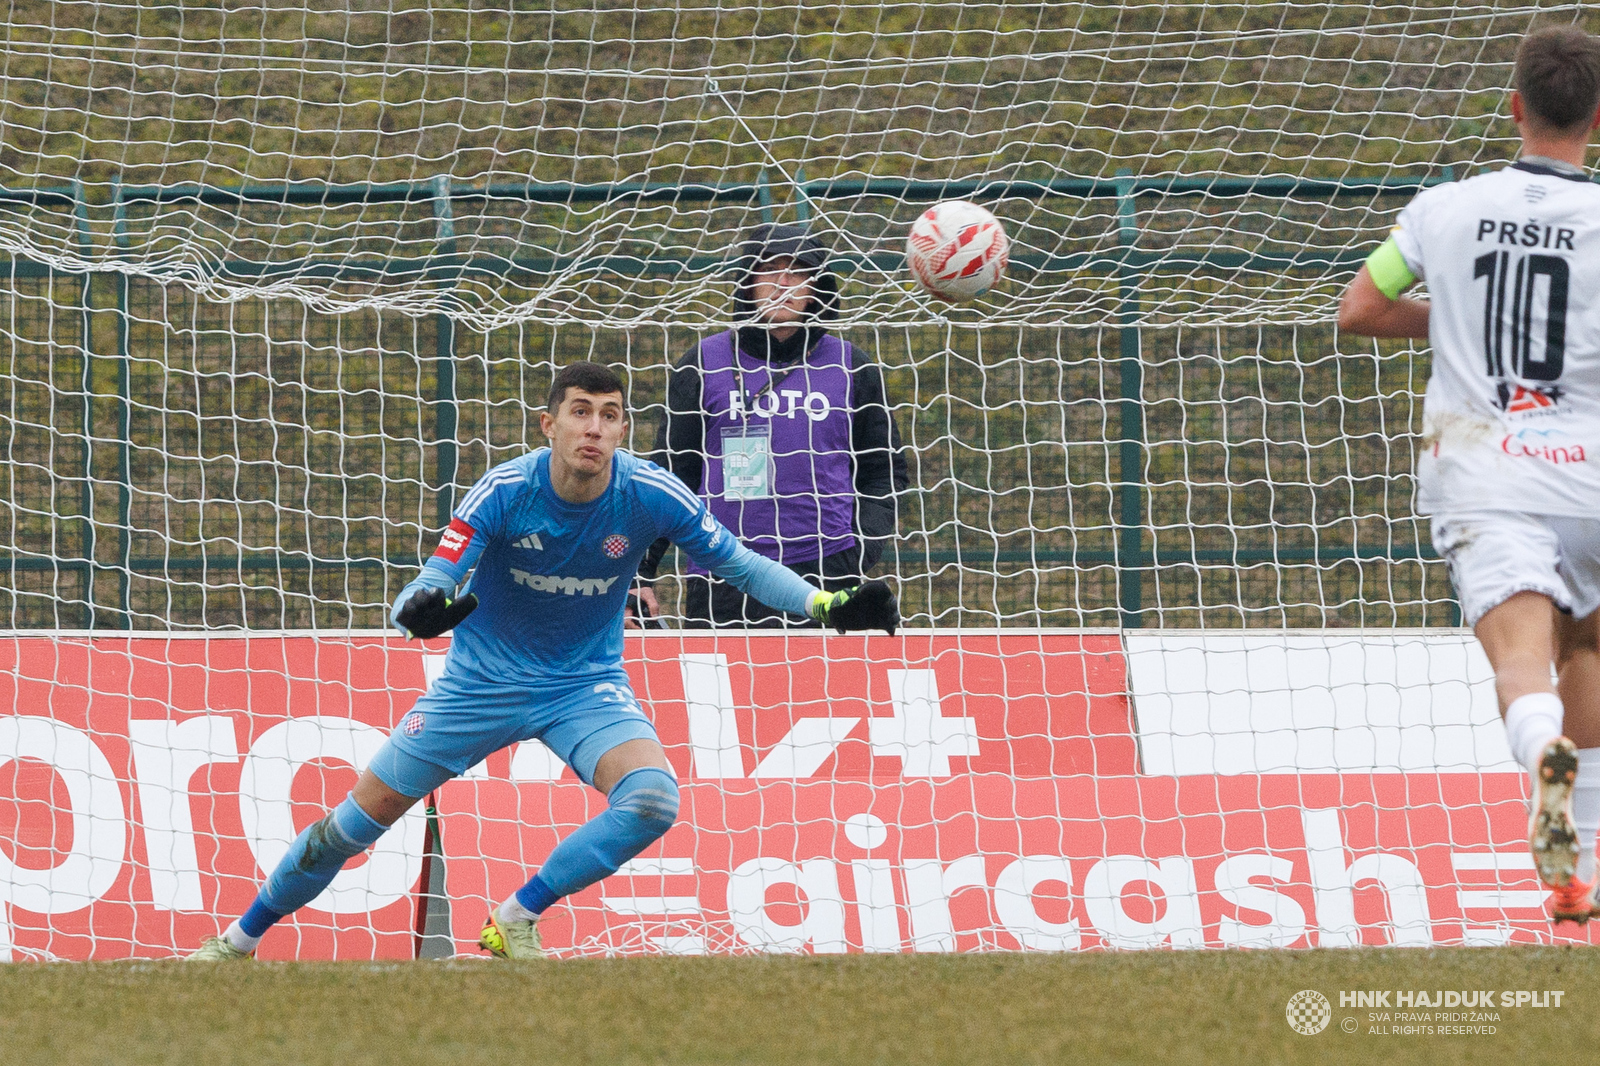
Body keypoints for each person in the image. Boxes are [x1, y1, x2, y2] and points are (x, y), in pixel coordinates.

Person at [187, 361, 898, 961]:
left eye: (610, 416)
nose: (595, 428)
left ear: (623, 430)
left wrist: (825, 605)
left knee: (653, 800)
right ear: (548, 425)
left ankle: (516, 916)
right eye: (580, 412)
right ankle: (236, 942)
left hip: (583, 686)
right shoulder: (504, 491)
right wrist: (418, 611)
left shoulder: (650, 493)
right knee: (353, 824)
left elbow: (739, 564)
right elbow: (433, 578)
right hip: (479, 686)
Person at [1338, 24, 1600, 924]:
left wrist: (1458, 323)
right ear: (1596, 117)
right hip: (1590, 476)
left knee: (1524, 664)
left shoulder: (1442, 209)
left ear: (1515, 107)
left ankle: (1541, 757)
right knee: (1589, 651)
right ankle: (1580, 885)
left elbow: (1360, 308)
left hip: (1485, 468)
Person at [632, 222, 908, 628]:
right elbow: (670, 477)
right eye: (769, 270)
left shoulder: (852, 365)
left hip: (825, 571)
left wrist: (856, 552)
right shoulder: (703, 362)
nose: (782, 283)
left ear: (817, 286)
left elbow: (884, 473)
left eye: (797, 271)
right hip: (722, 570)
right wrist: (640, 572)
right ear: (747, 282)